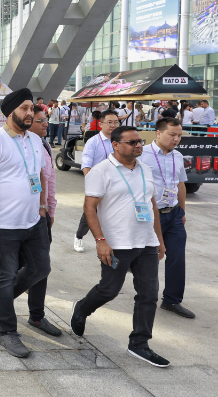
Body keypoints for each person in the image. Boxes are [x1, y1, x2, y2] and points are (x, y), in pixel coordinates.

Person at [71, 125, 168, 368]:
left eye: (140, 142)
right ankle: (82, 308)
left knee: (148, 295)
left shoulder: (145, 169)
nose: (138, 145)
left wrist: (159, 240)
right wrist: (101, 241)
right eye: (132, 142)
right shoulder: (101, 171)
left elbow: (152, 206)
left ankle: (139, 344)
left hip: (146, 241)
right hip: (117, 243)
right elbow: (89, 208)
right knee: (109, 290)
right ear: (115, 145)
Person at [0, 88, 51, 358]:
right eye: (24, 108)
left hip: (33, 220)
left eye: (32, 108)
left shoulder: (35, 140)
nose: (30, 113)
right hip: (4, 224)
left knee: (41, 268)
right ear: (10, 111)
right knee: (6, 276)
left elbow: (40, 173)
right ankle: (7, 332)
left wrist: (43, 205)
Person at [139, 118, 194, 318]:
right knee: (150, 258)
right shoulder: (141, 155)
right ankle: (145, 297)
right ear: (158, 133)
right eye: (172, 134)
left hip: (174, 214)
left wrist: (182, 211)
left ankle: (172, 300)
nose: (177, 139)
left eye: (179, 135)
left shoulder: (178, 156)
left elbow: (181, 185)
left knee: (177, 257)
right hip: (151, 215)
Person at [74, 110, 121, 253]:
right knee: (91, 213)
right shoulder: (93, 142)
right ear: (100, 124)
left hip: (118, 183)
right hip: (99, 183)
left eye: (116, 122)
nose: (113, 125)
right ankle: (79, 236)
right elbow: (86, 163)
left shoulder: (120, 140)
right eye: (109, 122)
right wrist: (90, 183)